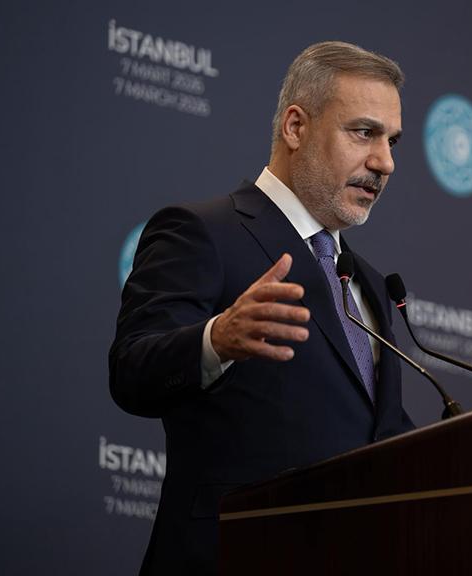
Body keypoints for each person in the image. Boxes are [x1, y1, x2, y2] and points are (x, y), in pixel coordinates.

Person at [109, 41, 414, 575]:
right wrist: (216, 339)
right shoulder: (203, 232)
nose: (384, 162)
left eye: (391, 140)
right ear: (295, 127)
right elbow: (132, 370)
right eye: (364, 132)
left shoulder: (366, 281)